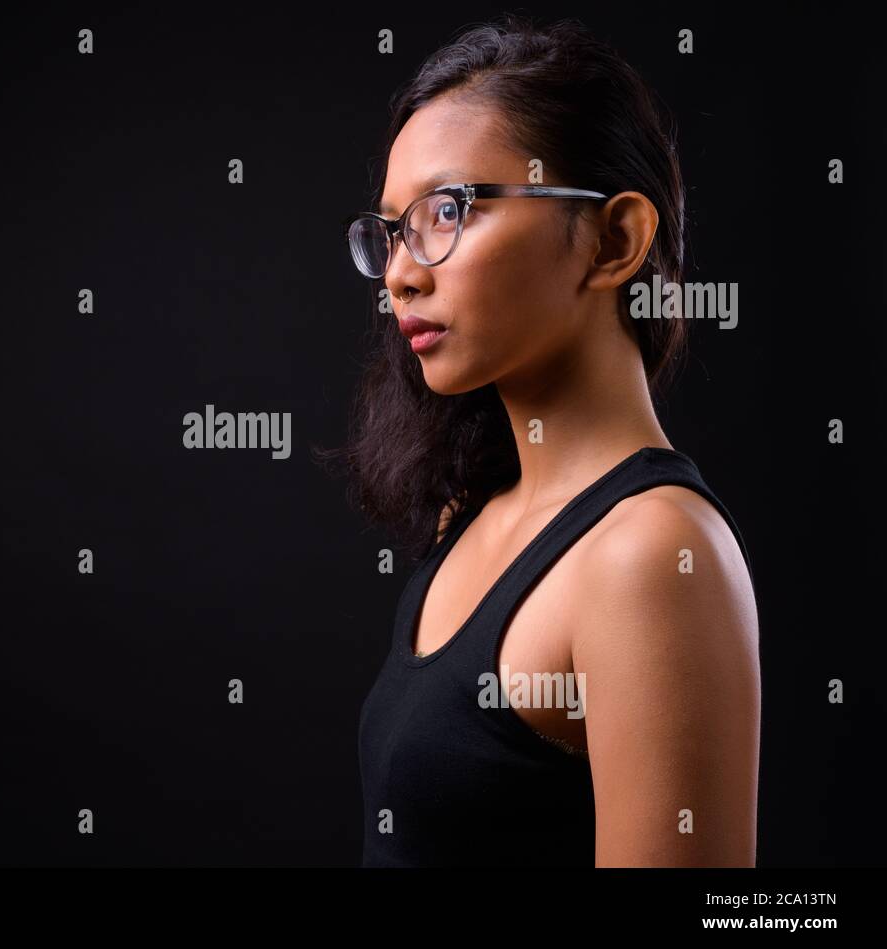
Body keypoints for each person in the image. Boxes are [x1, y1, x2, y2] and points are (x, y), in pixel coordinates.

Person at [322, 15, 760, 866]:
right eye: (392, 231)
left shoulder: (652, 554)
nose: (404, 272)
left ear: (613, 240)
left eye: (449, 210)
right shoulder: (469, 513)